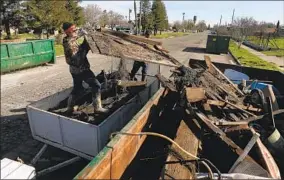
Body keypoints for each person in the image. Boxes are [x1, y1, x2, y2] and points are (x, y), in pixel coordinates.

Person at [62, 22, 108, 114]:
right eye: (74, 30)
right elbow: (78, 58)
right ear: (68, 31)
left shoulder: (67, 39)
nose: (76, 31)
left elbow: (75, 38)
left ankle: (70, 108)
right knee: (96, 85)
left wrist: (85, 36)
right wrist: (86, 45)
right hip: (81, 69)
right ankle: (97, 108)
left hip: (74, 70)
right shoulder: (69, 43)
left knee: (77, 88)